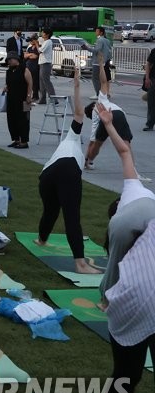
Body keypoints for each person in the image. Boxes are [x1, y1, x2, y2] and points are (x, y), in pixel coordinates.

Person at [35, 67, 102, 275]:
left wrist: (76, 84)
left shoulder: (70, 138)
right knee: (72, 217)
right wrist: (76, 85)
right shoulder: (75, 142)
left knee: (51, 210)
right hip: (67, 170)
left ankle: (42, 239)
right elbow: (80, 112)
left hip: (46, 175)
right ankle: (81, 264)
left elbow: (78, 114)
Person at [101, 203, 155, 393]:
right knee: (128, 371)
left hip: (135, 302)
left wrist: (107, 300)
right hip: (136, 302)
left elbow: (110, 284)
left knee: (127, 371)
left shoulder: (127, 229)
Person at [98, 102, 155, 307]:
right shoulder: (133, 186)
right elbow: (124, 151)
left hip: (133, 217)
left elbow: (123, 152)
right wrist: (109, 125)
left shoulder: (122, 213)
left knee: (116, 262)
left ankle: (105, 301)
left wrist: (107, 125)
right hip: (152, 214)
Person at [84, 59, 130, 170]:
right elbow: (104, 82)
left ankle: (89, 162)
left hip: (114, 116)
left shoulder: (96, 114)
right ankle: (133, 171)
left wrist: (85, 158)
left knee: (97, 145)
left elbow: (92, 143)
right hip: (120, 114)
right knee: (126, 145)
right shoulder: (101, 99)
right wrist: (101, 65)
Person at [3, 54, 32, 148]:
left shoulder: (24, 70)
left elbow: (30, 84)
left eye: (10, 59)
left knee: (22, 119)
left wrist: (29, 95)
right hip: (11, 98)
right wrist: (6, 88)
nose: (9, 62)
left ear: (16, 59)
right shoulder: (9, 71)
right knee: (11, 119)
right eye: (8, 60)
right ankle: (16, 139)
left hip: (22, 99)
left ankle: (24, 141)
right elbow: (8, 83)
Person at [85, 27, 113, 98]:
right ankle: (104, 93)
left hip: (97, 62)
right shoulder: (107, 40)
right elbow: (109, 52)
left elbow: (97, 50)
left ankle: (98, 94)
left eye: (97, 31)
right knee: (103, 78)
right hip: (104, 61)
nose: (96, 32)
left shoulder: (99, 40)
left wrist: (87, 48)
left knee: (95, 78)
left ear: (101, 32)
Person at [38, 29, 57, 105]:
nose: (42, 34)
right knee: (42, 83)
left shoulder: (48, 42)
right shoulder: (45, 42)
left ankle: (54, 99)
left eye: (43, 33)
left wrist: (36, 44)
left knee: (46, 82)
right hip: (42, 63)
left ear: (47, 34)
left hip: (46, 64)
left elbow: (40, 51)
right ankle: (42, 99)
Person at [24, 34, 41, 102]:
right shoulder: (30, 47)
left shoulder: (38, 47)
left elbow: (35, 56)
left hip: (35, 67)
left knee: (35, 82)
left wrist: (29, 55)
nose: (30, 41)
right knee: (27, 81)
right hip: (28, 66)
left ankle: (35, 96)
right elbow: (25, 56)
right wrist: (30, 55)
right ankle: (28, 95)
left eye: (32, 40)